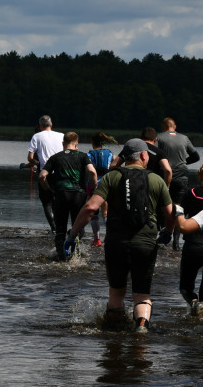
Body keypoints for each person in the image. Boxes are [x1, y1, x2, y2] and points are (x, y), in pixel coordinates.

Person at [69, 138, 173, 333]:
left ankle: (113, 336)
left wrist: (72, 234)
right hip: (145, 244)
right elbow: (170, 214)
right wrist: (168, 232)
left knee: (116, 293)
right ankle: (141, 330)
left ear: (125, 157)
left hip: (116, 243)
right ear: (144, 156)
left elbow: (90, 207)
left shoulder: (111, 177)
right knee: (142, 295)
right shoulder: (156, 179)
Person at [39, 132, 97, 260]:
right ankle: (74, 256)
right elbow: (92, 172)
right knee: (78, 228)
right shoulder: (83, 156)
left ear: (63, 143)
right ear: (76, 144)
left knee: (60, 230)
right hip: (78, 195)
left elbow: (42, 176)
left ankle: (61, 259)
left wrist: (48, 189)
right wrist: (93, 188)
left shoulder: (55, 157)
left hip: (61, 195)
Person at [156, 117, 200, 251]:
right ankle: (176, 243)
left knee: (161, 205)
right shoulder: (184, 138)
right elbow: (196, 156)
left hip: (164, 176)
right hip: (182, 176)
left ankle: (163, 237)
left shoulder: (159, 138)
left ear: (163, 126)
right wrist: (184, 163)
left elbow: (154, 155)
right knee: (178, 208)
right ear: (174, 126)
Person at [26, 115, 64, 233]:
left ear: (40, 126)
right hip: (62, 173)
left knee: (47, 202)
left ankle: (54, 229)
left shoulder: (36, 136)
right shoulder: (62, 135)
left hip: (45, 173)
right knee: (59, 201)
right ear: (51, 125)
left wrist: (37, 163)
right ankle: (62, 228)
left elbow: (30, 158)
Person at [173, 167, 203, 315]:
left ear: (200, 176)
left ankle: (193, 302)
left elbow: (181, 219)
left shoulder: (191, 193)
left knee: (185, 288)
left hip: (193, 244)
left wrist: (171, 233)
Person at [85, 132, 119, 247]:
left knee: (93, 213)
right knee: (105, 213)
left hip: (92, 184)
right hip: (106, 184)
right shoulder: (110, 153)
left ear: (93, 142)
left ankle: (97, 239)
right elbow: (117, 164)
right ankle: (110, 237)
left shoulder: (89, 154)